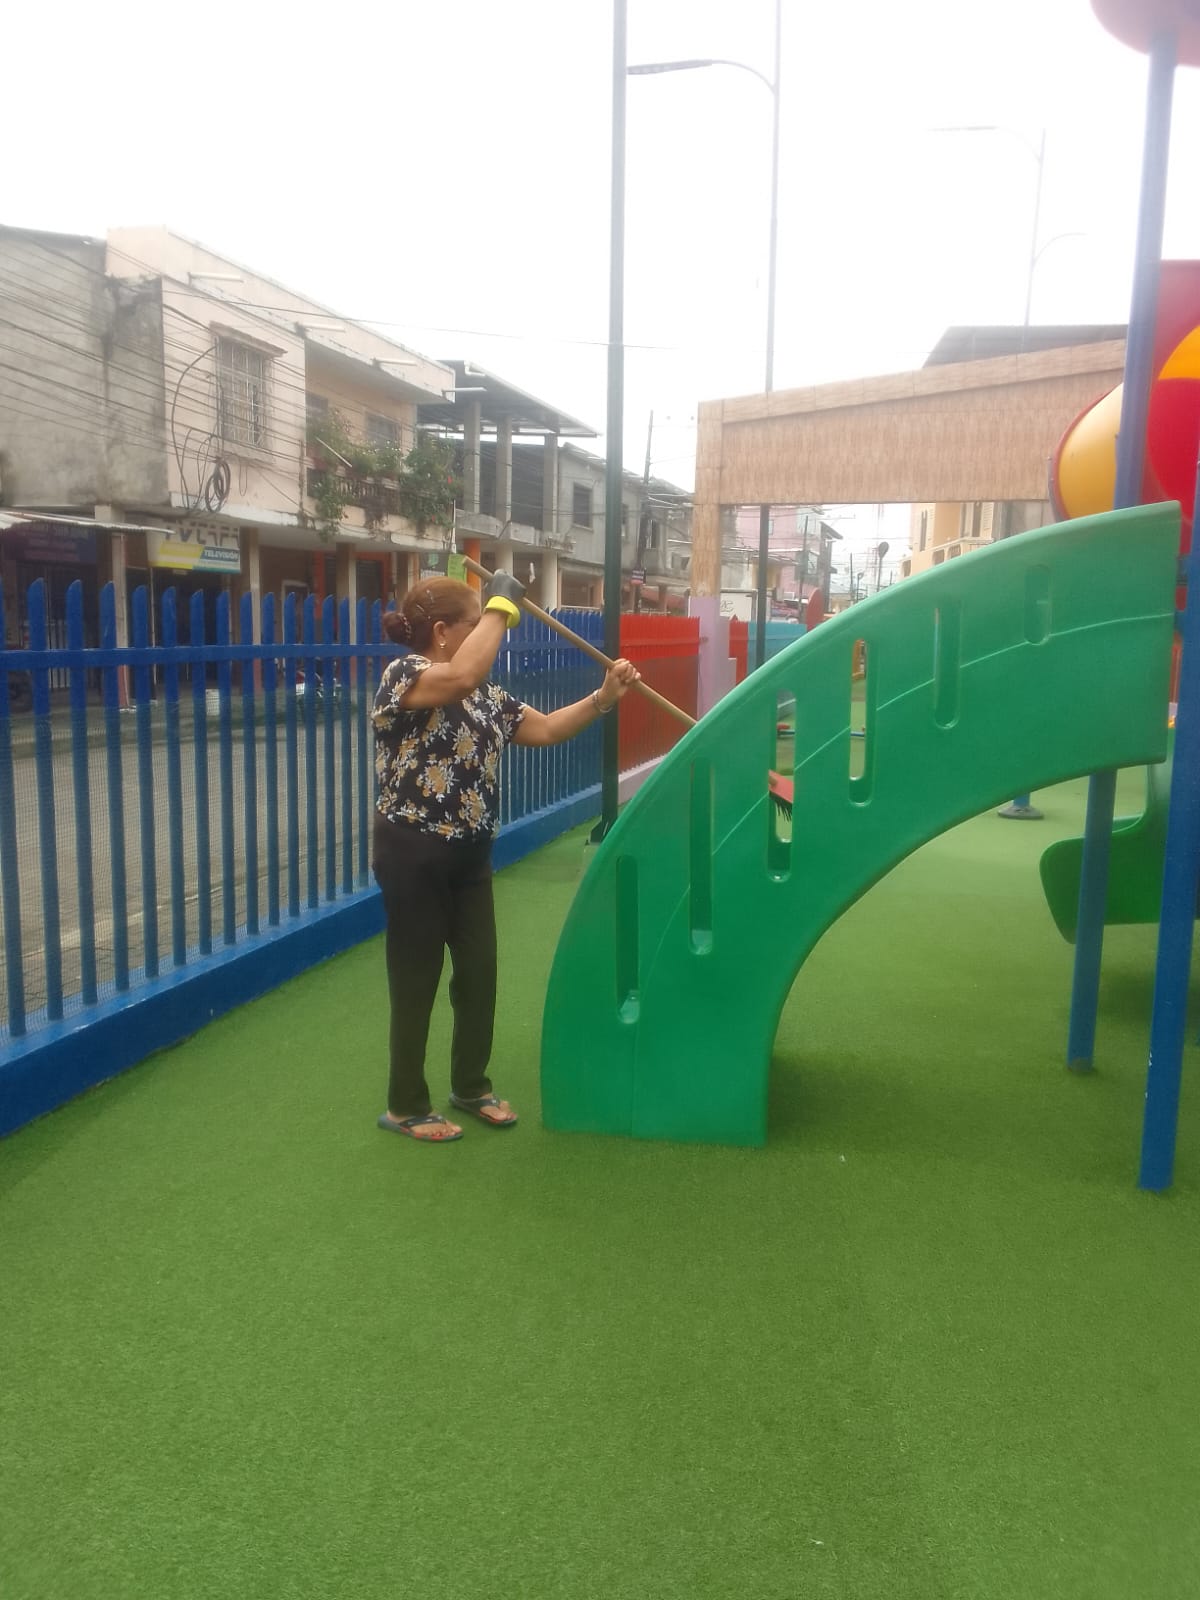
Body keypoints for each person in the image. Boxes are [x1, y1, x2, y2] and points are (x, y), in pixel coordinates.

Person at [371, 571, 640, 1143]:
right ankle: (405, 1104)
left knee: (479, 975)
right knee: (416, 979)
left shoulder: (487, 696)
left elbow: (545, 729)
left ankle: (471, 1086)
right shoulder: (405, 676)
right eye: (475, 626)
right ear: (442, 633)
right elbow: (461, 674)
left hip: (470, 854)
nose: (487, 636)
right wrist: (501, 603)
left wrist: (603, 698)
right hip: (413, 852)